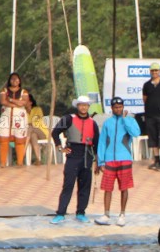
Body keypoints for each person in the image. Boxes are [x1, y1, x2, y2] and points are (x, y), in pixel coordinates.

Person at [50, 95, 100, 224]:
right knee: (68, 185)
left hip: (87, 156)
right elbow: (55, 132)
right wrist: (60, 148)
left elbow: (97, 144)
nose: (83, 107)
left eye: (85, 105)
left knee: (85, 186)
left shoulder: (92, 123)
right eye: (81, 105)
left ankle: (81, 212)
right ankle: (60, 213)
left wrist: (97, 162)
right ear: (77, 106)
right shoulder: (68, 119)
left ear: (88, 106)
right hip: (73, 155)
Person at [95, 97, 140, 227]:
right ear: (112, 109)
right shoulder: (107, 123)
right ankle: (106, 214)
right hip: (109, 159)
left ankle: (122, 214)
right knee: (107, 187)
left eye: (120, 107)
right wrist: (101, 161)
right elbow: (102, 142)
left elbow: (136, 133)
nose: (118, 109)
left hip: (125, 158)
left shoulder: (129, 120)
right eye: (116, 107)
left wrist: (126, 120)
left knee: (124, 187)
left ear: (123, 107)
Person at [0, 72, 30, 167]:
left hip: (19, 118)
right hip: (6, 116)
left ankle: (19, 162)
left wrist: (10, 100)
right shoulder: (4, 90)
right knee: (4, 139)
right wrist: (16, 104)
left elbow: (24, 103)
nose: (15, 81)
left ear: (20, 80)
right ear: (9, 81)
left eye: (17, 79)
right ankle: (2, 162)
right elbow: (3, 101)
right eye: (13, 79)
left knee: (19, 140)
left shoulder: (24, 91)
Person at [24, 92, 50, 165]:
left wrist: (29, 124)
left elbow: (34, 122)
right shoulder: (22, 112)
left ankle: (23, 152)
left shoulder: (37, 109)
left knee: (30, 128)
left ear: (30, 102)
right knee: (32, 135)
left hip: (42, 132)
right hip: (32, 132)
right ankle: (38, 159)